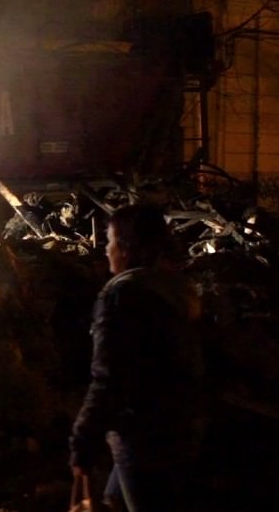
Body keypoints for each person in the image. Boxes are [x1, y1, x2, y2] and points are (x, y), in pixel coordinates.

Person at [69, 204, 206, 512]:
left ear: (128, 249)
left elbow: (109, 376)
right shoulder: (175, 289)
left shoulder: (121, 295)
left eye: (110, 241)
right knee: (117, 499)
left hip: (142, 433)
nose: (106, 250)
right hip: (182, 424)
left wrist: (83, 438)